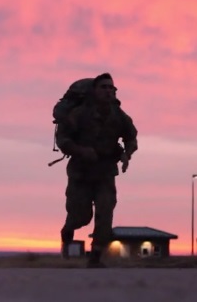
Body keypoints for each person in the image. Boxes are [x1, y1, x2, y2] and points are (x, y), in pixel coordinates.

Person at [55, 73, 138, 268]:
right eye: (104, 87)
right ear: (94, 91)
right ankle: (68, 229)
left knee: (105, 214)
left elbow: (131, 137)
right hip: (80, 173)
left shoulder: (119, 115)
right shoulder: (79, 114)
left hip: (105, 172)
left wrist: (127, 154)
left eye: (111, 88)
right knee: (81, 216)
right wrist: (81, 150)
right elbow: (63, 139)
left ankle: (95, 257)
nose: (109, 91)